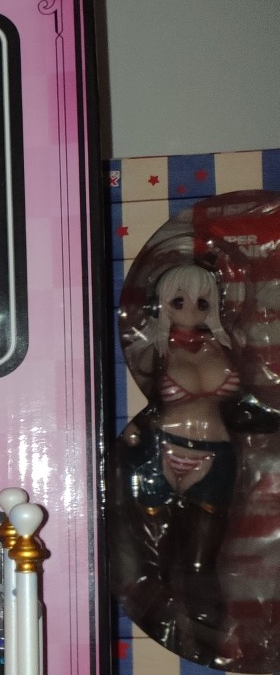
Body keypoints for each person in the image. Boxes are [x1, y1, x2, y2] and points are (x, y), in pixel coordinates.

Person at [116, 263, 241, 648]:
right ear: (161, 303)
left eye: (203, 302)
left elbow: (244, 407)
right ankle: (163, 642)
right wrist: (130, 430)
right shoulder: (151, 351)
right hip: (159, 454)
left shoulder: (225, 348)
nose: (191, 309)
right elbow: (127, 399)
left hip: (215, 456)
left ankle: (206, 647)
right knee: (155, 566)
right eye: (179, 300)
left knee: (202, 564)